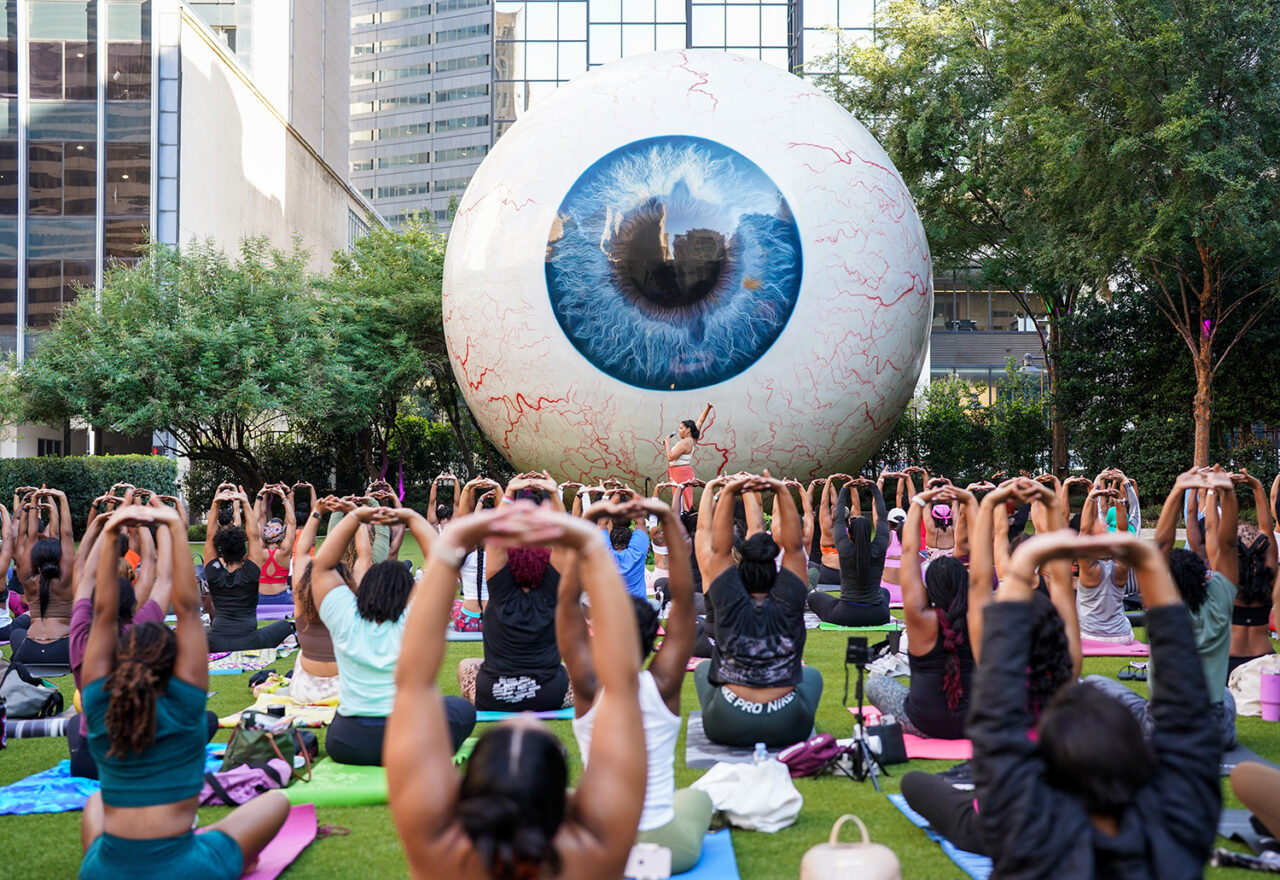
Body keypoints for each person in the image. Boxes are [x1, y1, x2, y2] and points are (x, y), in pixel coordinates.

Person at [386, 502, 647, 880]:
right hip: (548, 688)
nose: (525, 720)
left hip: (494, 689)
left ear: (466, 793)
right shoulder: (596, 851)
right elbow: (622, 686)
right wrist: (589, 542)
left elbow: (412, 683)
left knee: (467, 667)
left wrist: (454, 540)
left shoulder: (439, 851)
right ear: (564, 797)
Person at [969, 529, 1220, 879]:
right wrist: (1147, 560)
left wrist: (1022, 563)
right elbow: (1186, 709)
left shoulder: (1027, 832)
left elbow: (996, 712)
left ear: (1046, 769)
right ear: (1141, 754)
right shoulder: (1178, 821)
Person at [79, 503, 288, 880]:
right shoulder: (189, 707)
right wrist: (173, 526)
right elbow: (190, 611)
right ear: (173, 664)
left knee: (96, 801)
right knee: (276, 803)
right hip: (188, 867)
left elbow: (105, 614)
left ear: (120, 660)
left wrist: (112, 533)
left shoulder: (99, 705)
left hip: (103, 870)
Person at [561, 495, 713, 874]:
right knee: (697, 799)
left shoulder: (586, 684)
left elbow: (564, 606)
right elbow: (682, 600)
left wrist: (589, 518)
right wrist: (665, 515)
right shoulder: (663, 683)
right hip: (663, 845)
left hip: (596, 845)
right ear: (654, 641)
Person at [1085, 467, 1240, 752]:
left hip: (1163, 726)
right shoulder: (1219, 599)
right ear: (1204, 577)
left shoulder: (1162, 608)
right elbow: (1227, 545)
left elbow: (1160, 545)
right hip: (1214, 730)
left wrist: (1178, 488)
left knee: (1094, 682)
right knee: (1226, 696)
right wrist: (1226, 491)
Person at [309, 501, 476, 765]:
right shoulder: (417, 620)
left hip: (348, 741)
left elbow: (321, 567)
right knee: (462, 709)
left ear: (364, 589)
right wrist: (411, 517)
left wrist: (354, 517)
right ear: (409, 592)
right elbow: (443, 565)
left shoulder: (344, 616)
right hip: (408, 737)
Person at [693, 473, 821, 748]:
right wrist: (780, 491)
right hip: (788, 724)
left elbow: (719, 548)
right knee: (811, 674)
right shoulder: (789, 597)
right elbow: (795, 546)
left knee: (703, 670)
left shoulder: (727, 596)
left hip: (728, 722)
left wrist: (728, 492)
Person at [457, 474, 574, 712]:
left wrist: (509, 493)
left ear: (508, 565)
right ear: (545, 563)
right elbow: (564, 538)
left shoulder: (499, 590)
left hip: (494, 693)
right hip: (549, 694)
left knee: (466, 664)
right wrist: (553, 493)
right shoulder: (552, 589)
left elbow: (497, 541)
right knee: (579, 666)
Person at [867, 485, 975, 739]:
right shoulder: (981, 617)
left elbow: (909, 552)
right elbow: (981, 549)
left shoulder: (918, 618)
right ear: (966, 584)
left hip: (924, 722)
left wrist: (918, 502)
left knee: (874, 682)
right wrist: (970, 500)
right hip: (975, 723)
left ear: (930, 586)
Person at [202, 487, 293, 652]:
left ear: (220, 550)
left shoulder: (214, 573)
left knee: (193, 632)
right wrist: (244, 502)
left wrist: (216, 503)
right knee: (284, 626)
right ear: (244, 552)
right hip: (250, 642)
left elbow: (209, 538)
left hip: (216, 642)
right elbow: (254, 536)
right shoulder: (251, 571)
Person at [806, 478, 891, 627]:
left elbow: (839, 519)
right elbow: (882, 518)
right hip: (878, 615)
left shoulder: (844, 548)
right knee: (884, 592)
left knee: (814, 597)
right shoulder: (879, 547)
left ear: (849, 534)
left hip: (846, 614)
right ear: (869, 531)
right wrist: (874, 488)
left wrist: (845, 489)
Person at [11, 487, 76, 665]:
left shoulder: (27, 577)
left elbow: (30, 537)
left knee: (17, 630)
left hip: (29, 651)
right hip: (63, 650)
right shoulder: (66, 579)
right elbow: (67, 535)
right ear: (60, 557)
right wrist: (62, 497)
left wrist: (33, 504)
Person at [288, 497, 342, 704]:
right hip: (344, 690)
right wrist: (355, 515)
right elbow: (364, 555)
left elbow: (300, 552)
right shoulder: (349, 602)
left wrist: (317, 511)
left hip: (304, 692)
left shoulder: (301, 600)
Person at [1073, 478, 1136, 644]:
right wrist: (1119, 500)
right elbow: (1123, 531)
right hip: (1122, 635)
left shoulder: (1087, 567)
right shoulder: (1121, 565)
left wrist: (1091, 497)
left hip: (1089, 635)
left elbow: (1085, 530)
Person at [1225, 470, 1276, 672]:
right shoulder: (1270, 579)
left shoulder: (1227, 579)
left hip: (1230, 658)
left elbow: (1216, 529)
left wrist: (1223, 490)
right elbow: (1267, 530)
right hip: (1264, 657)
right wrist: (1257, 488)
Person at [448, 477, 501, 633]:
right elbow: (503, 516)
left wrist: (468, 487)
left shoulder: (467, 552)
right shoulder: (498, 553)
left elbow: (462, 519)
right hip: (494, 621)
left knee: (451, 603)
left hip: (467, 621)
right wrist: (497, 487)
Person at [664, 403, 713, 508]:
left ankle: (685, 519)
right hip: (680, 471)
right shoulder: (693, 440)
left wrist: (667, 442)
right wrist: (708, 408)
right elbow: (700, 422)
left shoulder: (685, 442)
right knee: (683, 498)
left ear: (688, 430)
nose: (679, 430)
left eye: (681, 428)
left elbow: (670, 457)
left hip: (680, 472)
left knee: (681, 500)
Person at [254, 484, 294, 605]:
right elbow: (291, 522)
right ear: (282, 534)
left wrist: (260, 496)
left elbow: (255, 520)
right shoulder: (285, 550)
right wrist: (284, 496)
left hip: (260, 598)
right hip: (281, 598)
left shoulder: (259, 549)